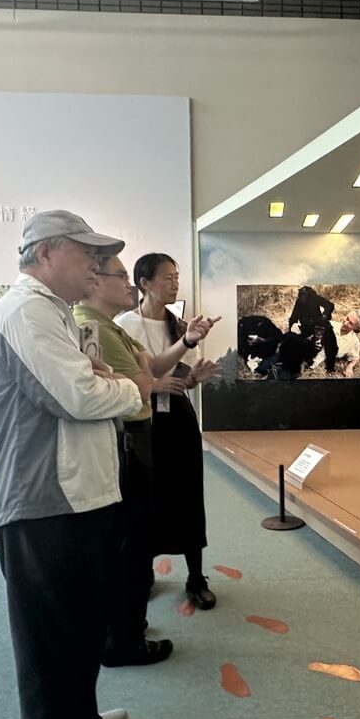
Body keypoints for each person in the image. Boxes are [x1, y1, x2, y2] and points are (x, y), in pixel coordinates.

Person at [0, 210, 143, 719]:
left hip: (75, 498)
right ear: (45, 252)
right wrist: (129, 389)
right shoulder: (25, 312)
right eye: (86, 253)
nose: (97, 265)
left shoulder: (52, 312)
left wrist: (109, 383)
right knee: (51, 642)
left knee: (77, 629)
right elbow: (80, 396)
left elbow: (91, 384)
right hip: (43, 503)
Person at [74, 255, 182, 667]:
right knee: (130, 547)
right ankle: (124, 639)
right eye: (121, 277)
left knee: (131, 544)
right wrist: (145, 379)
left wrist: (148, 374)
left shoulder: (109, 326)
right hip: (126, 445)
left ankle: (124, 626)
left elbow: (148, 370)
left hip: (132, 442)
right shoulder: (94, 327)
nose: (128, 286)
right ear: (95, 280)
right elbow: (141, 385)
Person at [116, 253, 221, 610]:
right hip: (141, 421)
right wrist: (154, 384)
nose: (175, 284)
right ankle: (143, 572)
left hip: (178, 419)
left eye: (177, 277)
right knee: (143, 496)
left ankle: (196, 577)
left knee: (189, 493)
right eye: (167, 278)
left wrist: (194, 378)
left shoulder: (181, 326)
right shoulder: (124, 326)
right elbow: (127, 377)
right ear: (144, 283)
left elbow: (181, 381)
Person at [312, 309, 360, 377]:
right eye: (347, 318)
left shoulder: (353, 342)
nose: (346, 323)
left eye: (350, 323)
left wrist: (349, 367)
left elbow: (355, 358)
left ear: (356, 328)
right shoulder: (329, 325)